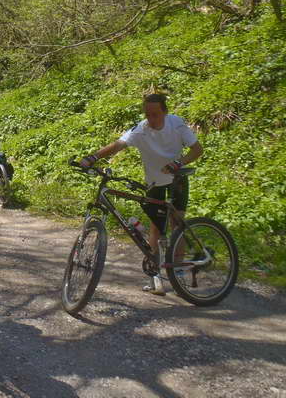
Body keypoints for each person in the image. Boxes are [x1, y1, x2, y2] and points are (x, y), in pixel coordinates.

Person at [79, 93, 203, 295]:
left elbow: (197, 150)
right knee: (156, 226)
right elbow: (118, 144)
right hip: (154, 182)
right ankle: (154, 275)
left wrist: (179, 162)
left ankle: (178, 273)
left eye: (155, 114)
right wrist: (93, 157)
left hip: (177, 178)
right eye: (147, 114)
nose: (151, 119)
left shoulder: (176, 124)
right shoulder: (141, 129)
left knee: (177, 224)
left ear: (165, 112)